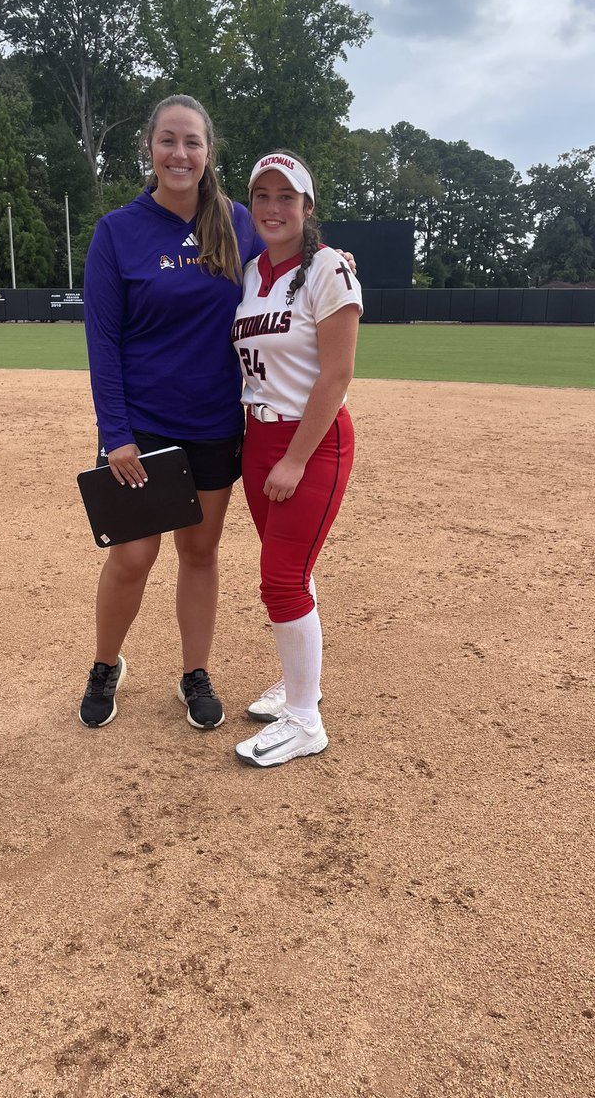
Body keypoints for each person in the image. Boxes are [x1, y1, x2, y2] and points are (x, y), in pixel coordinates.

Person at [78, 94, 263, 732]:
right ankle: (106, 664)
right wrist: (116, 435)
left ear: (208, 152)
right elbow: (102, 341)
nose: (179, 153)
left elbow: (290, 259)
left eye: (192, 142)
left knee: (200, 552)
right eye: (168, 140)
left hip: (215, 421)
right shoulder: (117, 232)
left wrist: (332, 258)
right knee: (133, 556)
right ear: (149, 148)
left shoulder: (237, 223)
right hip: (143, 426)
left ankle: (195, 673)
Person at [231, 150, 362, 768]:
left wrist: (295, 459)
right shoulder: (249, 272)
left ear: (308, 208)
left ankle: (306, 720)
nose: (273, 207)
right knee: (295, 570)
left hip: (310, 441)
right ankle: (298, 682)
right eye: (262, 195)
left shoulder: (329, 268)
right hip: (256, 439)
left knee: (281, 578)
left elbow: (336, 375)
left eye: (287, 196)